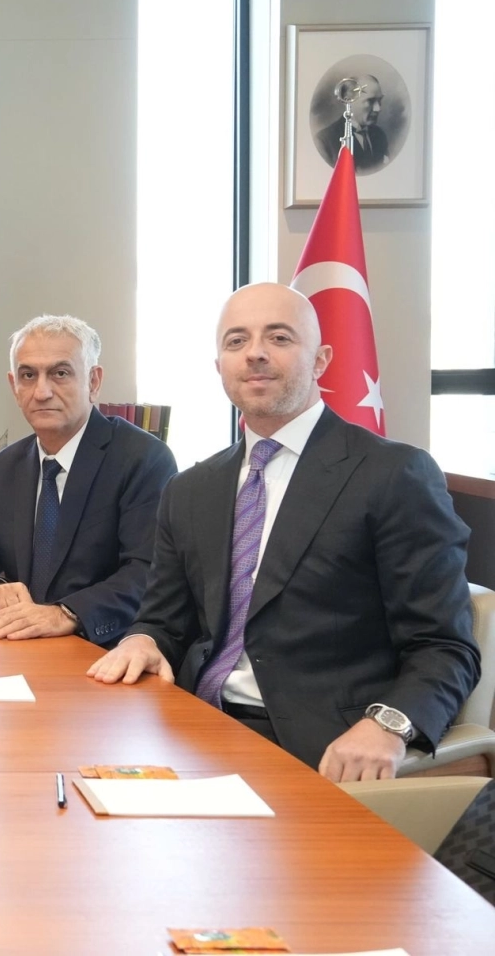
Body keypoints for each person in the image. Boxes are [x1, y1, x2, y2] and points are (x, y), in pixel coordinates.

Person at [88, 284, 479, 781]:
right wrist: (143, 640)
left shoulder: (393, 475)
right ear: (219, 367)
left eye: (279, 337)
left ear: (321, 360)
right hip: (191, 724)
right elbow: (164, 621)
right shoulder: (189, 489)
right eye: (236, 341)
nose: (255, 353)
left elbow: (444, 647)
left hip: (319, 748)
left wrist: (388, 726)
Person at [0, 315, 177, 646]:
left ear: (93, 381)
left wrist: (65, 613)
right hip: (22, 647)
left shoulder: (142, 459)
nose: (42, 392)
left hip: (104, 651)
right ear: (14, 386)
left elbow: (147, 572)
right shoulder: (5, 466)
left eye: (60, 373)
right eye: (28, 375)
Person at [316, 73, 390, 172]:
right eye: (370, 101)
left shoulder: (380, 135)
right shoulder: (324, 141)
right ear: (349, 101)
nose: (378, 108)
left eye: (379, 100)